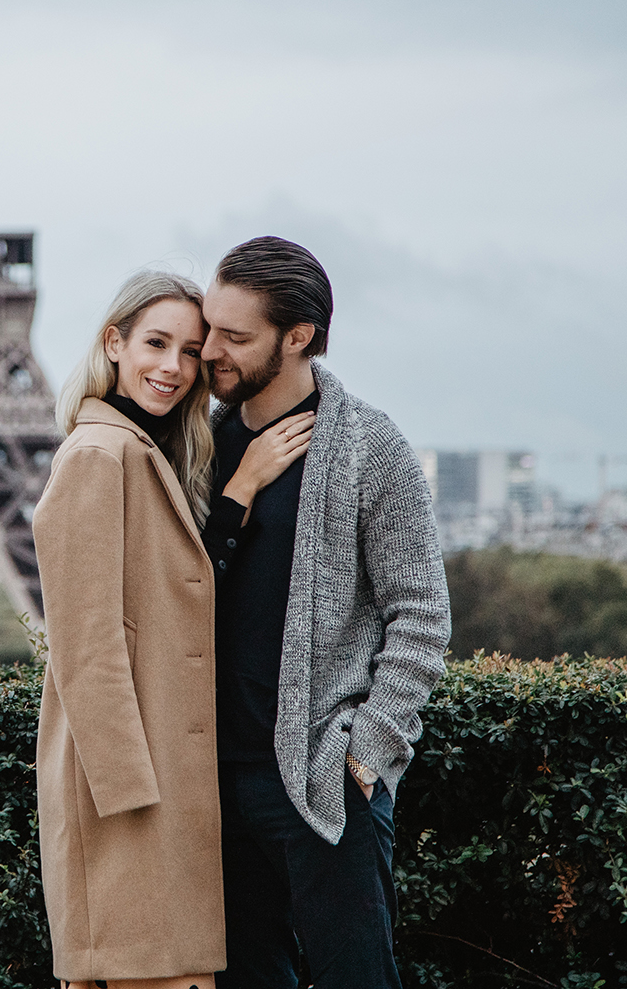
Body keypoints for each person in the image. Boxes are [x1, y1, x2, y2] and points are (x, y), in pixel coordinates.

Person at [34, 269, 307, 989]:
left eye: (191, 352)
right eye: (157, 343)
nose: (175, 368)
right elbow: (84, 645)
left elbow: (174, 591)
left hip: (160, 790)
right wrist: (134, 799)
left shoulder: (145, 451)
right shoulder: (98, 455)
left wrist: (239, 490)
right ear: (113, 342)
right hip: (129, 801)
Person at [198, 236, 451, 989]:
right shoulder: (198, 447)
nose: (209, 351)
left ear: (298, 337)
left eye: (235, 337)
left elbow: (422, 614)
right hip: (210, 779)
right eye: (209, 326)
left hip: (320, 774)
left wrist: (368, 749)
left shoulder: (372, 447)